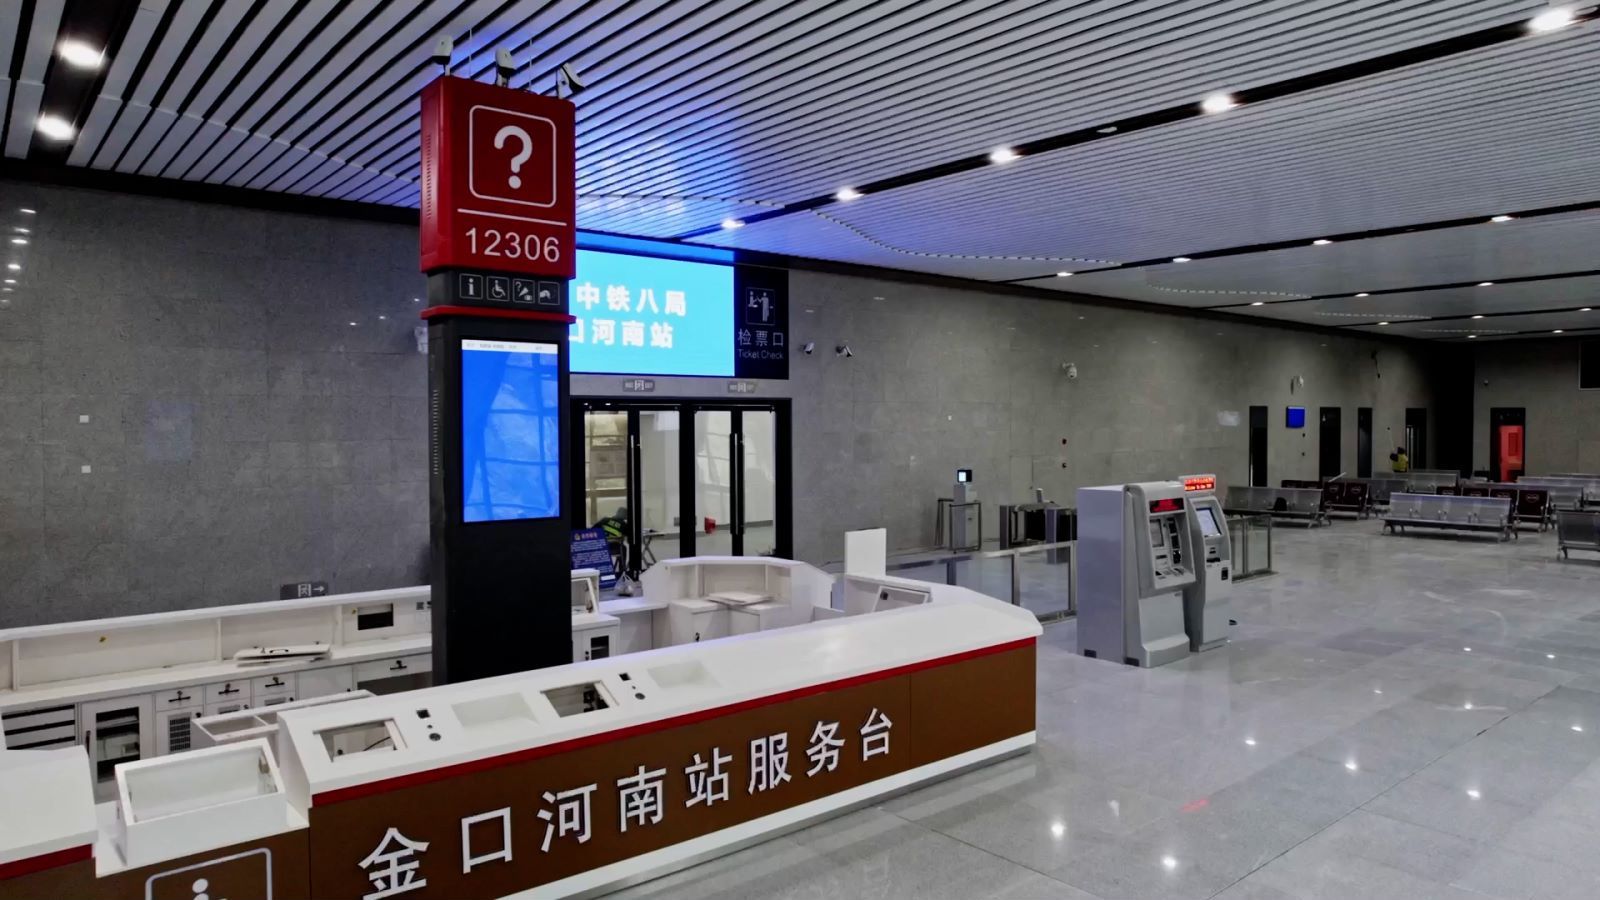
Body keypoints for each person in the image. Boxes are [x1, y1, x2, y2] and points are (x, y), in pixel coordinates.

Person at [593, 506, 634, 590]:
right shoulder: (623, 524)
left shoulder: (605, 520)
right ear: (625, 516)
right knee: (623, 548)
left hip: (601, 547)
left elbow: (593, 530)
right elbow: (631, 537)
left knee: (621, 547)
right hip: (614, 548)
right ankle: (622, 571)